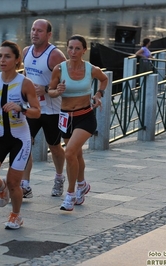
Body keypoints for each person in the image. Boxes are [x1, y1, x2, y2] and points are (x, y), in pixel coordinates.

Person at [0, 40, 41, 229]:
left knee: (15, 182)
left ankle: (16, 215)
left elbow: (37, 111)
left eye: (7, 56)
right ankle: (1, 188)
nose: (2, 60)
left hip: (19, 138)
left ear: (17, 60)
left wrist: (21, 107)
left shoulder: (25, 84)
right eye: (0, 56)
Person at [48, 34, 108, 211]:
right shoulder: (59, 69)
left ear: (84, 50)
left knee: (69, 153)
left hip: (85, 116)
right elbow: (50, 91)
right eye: (70, 48)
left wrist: (98, 94)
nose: (73, 51)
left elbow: (104, 79)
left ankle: (70, 195)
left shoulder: (91, 69)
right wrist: (57, 91)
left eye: (77, 48)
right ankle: (82, 184)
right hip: (66, 117)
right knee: (76, 155)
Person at [21, 19, 67, 198]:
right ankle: (25, 184)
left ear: (48, 35)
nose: (34, 33)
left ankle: (59, 177)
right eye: (33, 29)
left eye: (39, 31)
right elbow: (26, 75)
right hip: (32, 108)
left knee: (54, 146)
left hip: (52, 111)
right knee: (25, 143)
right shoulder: (26, 52)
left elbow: (67, 84)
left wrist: (46, 89)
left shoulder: (55, 56)